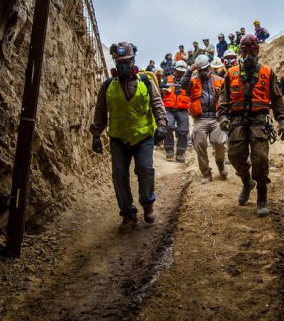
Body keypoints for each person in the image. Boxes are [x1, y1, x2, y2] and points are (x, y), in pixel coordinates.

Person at [90, 42, 168, 233]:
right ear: (115, 62)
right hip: (118, 138)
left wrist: (162, 126)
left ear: (133, 60)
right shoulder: (107, 86)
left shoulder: (146, 81)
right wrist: (96, 135)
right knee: (118, 174)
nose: (123, 65)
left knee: (145, 168)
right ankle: (127, 214)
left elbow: (158, 105)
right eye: (119, 62)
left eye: (126, 61)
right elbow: (100, 112)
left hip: (143, 136)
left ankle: (148, 204)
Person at [217, 34, 284, 217]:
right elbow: (224, 98)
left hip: (259, 120)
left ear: (257, 51)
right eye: (245, 51)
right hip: (237, 120)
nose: (249, 54)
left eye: (252, 51)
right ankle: (247, 182)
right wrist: (223, 117)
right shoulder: (231, 73)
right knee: (233, 155)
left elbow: (277, 98)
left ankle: (262, 198)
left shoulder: (268, 72)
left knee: (261, 158)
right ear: (241, 51)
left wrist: (282, 121)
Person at [180, 54, 227, 183]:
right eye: (200, 70)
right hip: (200, 119)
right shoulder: (193, 81)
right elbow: (183, 86)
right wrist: (189, 70)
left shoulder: (219, 80)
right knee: (199, 144)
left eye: (205, 69)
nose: (203, 72)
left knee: (219, 142)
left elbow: (227, 98)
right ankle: (206, 173)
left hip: (216, 117)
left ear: (210, 68)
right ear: (197, 70)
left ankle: (220, 163)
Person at [160, 60, 191, 163]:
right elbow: (159, 90)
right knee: (168, 126)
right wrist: (163, 91)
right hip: (169, 108)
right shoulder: (166, 79)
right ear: (174, 70)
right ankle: (169, 150)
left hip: (182, 109)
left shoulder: (188, 81)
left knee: (183, 130)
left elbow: (192, 93)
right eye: (178, 71)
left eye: (182, 71)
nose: (180, 73)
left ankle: (180, 152)